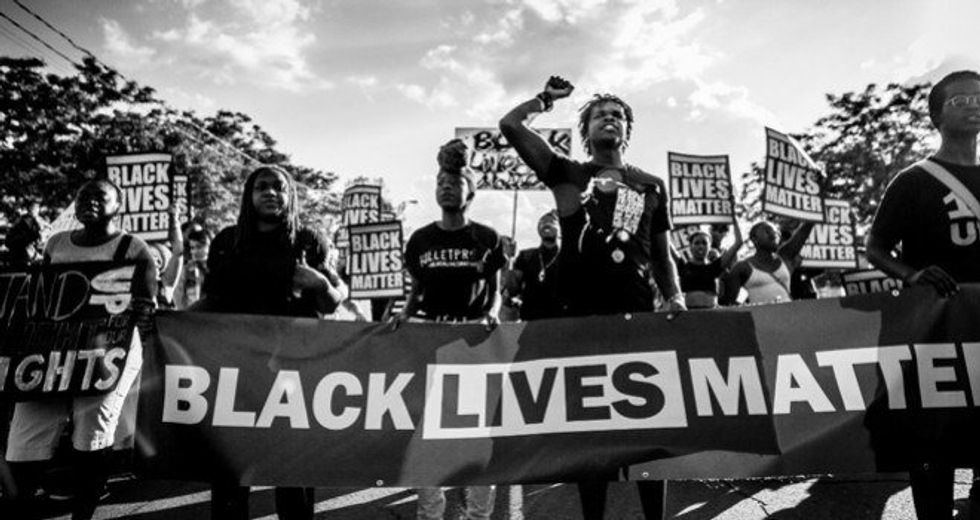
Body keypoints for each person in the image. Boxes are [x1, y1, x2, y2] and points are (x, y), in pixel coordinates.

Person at [500, 76, 685, 520]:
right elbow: (510, 125)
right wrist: (545, 100)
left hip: (638, 320)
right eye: (600, 115)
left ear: (627, 130)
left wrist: (675, 297)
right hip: (582, 321)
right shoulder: (567, 173)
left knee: (647, 430)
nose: (609, 119)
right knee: (594, 436)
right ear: (585, 130)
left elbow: (662, 256)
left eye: (617, 115)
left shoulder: (650, 185)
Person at [198, 164, 347, 520]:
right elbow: (210, 301)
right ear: (249, 196)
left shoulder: (308, 241)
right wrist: (168, 321)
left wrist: (319, 284)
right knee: (232, 472)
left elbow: (334, 299)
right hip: (238, 371)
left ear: (290, 195)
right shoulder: (227, 242)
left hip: (293, 371)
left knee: (293, 472)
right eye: (261, 186)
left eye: (278, 187)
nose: (270, 193)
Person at [4, 179, 157, 520]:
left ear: (118, 205)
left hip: (106, 356)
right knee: (26, 435)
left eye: (100, 196)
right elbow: (41, 295)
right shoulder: (56, 243)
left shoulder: (134, 248)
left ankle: (83, 514)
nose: (90, 201)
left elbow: (146, 306)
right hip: (51, 354)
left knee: (92, 433)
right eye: (83, 196)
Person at [865, 70, 980, 520]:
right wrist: (912, 275)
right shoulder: (913, 180)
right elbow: (876, 248)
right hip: (934, 332)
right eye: (959, 100)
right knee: (933, 439)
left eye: (979, 97)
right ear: (936, 116)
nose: (973, 105)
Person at [394, 139, 503, 520]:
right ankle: (430, 514)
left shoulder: (487, 238)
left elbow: (495, 292)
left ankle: (478, 515)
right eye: (440, 182)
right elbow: (416, 290)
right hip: (429, 338)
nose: (446, 188)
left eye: (454, 183)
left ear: (469, 191)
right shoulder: (420, 239)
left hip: (472, 340)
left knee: (476, 434)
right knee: (427, 435)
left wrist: (492, 315)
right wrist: (404, 315)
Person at [723, 219, 815, 305]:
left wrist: (814, 214)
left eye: (775, 233)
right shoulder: (742, 268)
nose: (773, 236)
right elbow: (729, 304)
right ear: (754, 239)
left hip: (789, 315)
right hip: (761, 316)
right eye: (767, 232)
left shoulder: (784, 257)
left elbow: (804, 231)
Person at [508, 210, 564, 320]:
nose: (546, 224)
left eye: (552, 221)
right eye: (542, 222)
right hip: (530, 320)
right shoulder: (526, 256)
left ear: (561, 230)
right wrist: (511, 261)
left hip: (561, 321)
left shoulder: (568, 256)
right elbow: (512, 289)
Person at [672, 225, 743, 309]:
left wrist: (734, 220)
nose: (701, 246)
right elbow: (667, 246)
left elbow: (738, 242)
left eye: (704, 243)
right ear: (690, 246)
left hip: (711, 313)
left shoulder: (715, 267)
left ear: (709, 247)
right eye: (697, 243)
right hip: (688, 314)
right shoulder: (683, 266)